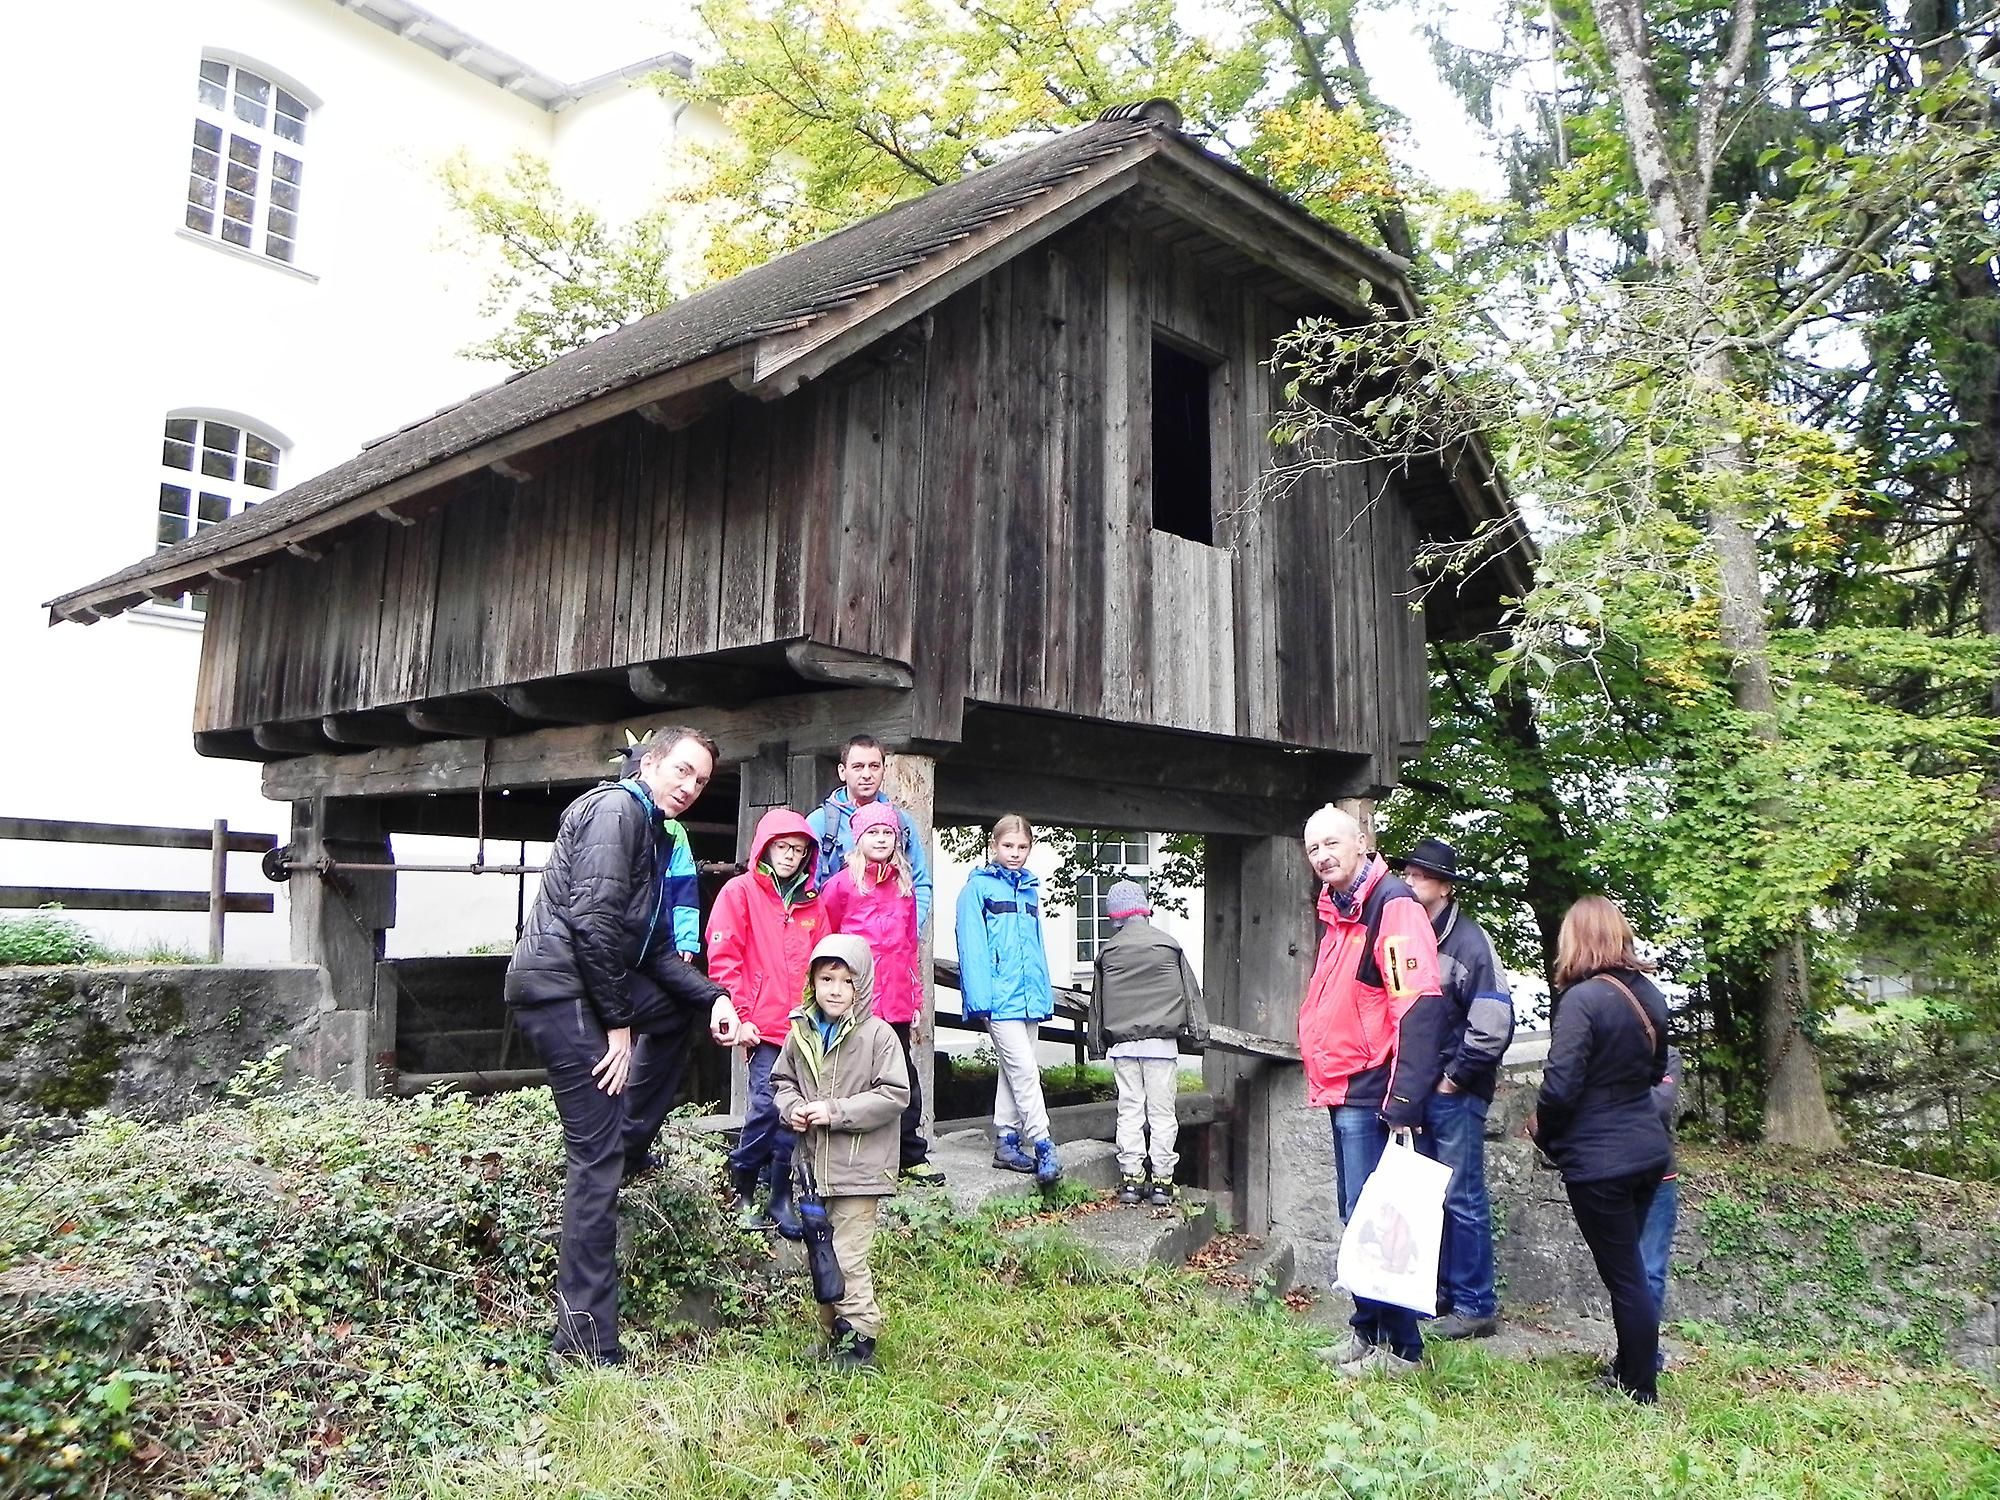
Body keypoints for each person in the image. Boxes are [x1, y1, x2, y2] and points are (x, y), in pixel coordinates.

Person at [504, 728, 744, 1365]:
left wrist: (716, 998)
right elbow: (593, 923)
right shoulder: (617, 810)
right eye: (683, 771)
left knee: (680, 1011)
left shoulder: (654, 831)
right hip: (561, 991)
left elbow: (659, 952)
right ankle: (583, 1342)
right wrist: (616, 1026)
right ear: (652, 762)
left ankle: (631, 1141)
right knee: (594, 1156)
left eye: (700, 781)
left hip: (589, 986)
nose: (690, 787)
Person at [1297, 805, 1448, 1378]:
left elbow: (1415, 1002)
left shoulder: (1392, 907)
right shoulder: (1342, 913)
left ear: (1362, 842)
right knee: (1358, 1213)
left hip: (1374, 1088)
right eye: (1313, 850)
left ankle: (1403, 1349)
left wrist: (1405, 1098)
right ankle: (1367, 1333)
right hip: (1347, 1083)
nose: (1323, 857)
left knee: (1386, 1218)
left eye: (1332, 843)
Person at [1529, 895, 1672, 1404]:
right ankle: (1630, 1370)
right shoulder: (1650, 995)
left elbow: (1560, 1085)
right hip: (1648, 1153)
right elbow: (1657, 1075)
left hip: (1600, 1162)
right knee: (1630, 1272)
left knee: (1626, 1280)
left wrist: (1546, 1134)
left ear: (1577, 938)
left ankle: (1639, 1388)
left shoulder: (1582, 1001)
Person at [1388, 837, 1515, 1341]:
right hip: (1424, 1091)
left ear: (1444, 886)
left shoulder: (1468, 943)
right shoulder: (1411, 938)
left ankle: (1475, 1304)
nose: (1412, 881)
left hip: (1454, 1091)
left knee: (1461, 1196)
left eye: (1421, 875)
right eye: (1409, 873)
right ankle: (1439, 1296)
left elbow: (1492, 1023)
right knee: (1429, 1197)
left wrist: (1452, 1078)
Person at [771, 934, 911, 1371]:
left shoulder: (878, 1036)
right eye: (827, 978)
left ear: (861, 985)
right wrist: (791, 1108)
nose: (835, 989)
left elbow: (894, 1095)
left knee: (849, 1256)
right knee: (822, 1252)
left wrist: (836, 1112)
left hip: (860, 1167)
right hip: (814, 1168)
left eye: (846, 981)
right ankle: (830, 1334)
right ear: (812, 981)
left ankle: (860, 1340)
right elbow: (782, 1082)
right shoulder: (801, 1033)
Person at [706, 808, 825, 1236]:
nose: (790, 856)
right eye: (783, 847)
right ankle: (742, 1186)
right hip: (761, 1025)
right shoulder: (739, 893)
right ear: (765, 848)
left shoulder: (814, 904)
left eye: (798, 849)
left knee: (796, 1116)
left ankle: (780, 1197)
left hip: (805, 1029)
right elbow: (725, 960)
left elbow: (824, 966)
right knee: (763, 1107)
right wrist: (740, 1017)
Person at [820, 801, 945, 1185]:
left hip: (896, 1000)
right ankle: (853, 1157)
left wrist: (916, 999)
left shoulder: (904, 886)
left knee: (902, 1077)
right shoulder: (841, 885)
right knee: (855, 1078)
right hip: (855, 1000)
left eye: (887, 833)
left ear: (896, 840)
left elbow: (910, 948)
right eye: (873, 832)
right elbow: (827, 943)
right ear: (858, 838)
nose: (880, 839)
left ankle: (911, 1154)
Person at [1087, 878, 1208, 1206]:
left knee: (1129, 1110)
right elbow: (1191, 996)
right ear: (1144, 910)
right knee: (1162, 1112)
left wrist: (1096, 1046)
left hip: (1124, 1047)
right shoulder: (1168, 945)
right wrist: (1199, 1036)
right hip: (1161, 1045)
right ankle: (1163, 1182)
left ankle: (1131, 1179)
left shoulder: (1108, 952)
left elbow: (1097, 1005)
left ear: (1115, 916)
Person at [956, 815, 1061, 1185]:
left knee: (1014, 1069)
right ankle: (1044, 1142)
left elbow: (1036, 949)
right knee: (1026, 1071)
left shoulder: (1030, 890)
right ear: (993, 845)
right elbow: (972, 947)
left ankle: (1006, 1138)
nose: (1015, 854)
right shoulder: (977, 890)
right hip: (999, 998)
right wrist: (980, 999)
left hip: (1029, 996)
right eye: (1008, 846)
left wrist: (1042, 993)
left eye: (1022, 847)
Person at [807, 736, 934, 933]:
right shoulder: (821, 822)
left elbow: (919, 882)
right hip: (838, 947)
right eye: (858, 766)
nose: (867, 774)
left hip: (891, 946)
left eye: (874, 766)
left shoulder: (901, 822)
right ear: (843, 771)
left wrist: (909, 930)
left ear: (884, 770)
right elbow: (807, 888)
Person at [1639, 1043, 1685, 1370]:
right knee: (1623, 1271)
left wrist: (1611, 1099)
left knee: (1650, 1269)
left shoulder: (1667, 1054)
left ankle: (1643, 1357)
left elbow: (1661, 1104)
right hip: (1611, 1173)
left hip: (1658, 1174)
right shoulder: (1602, 1046)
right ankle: (1633, 1351)